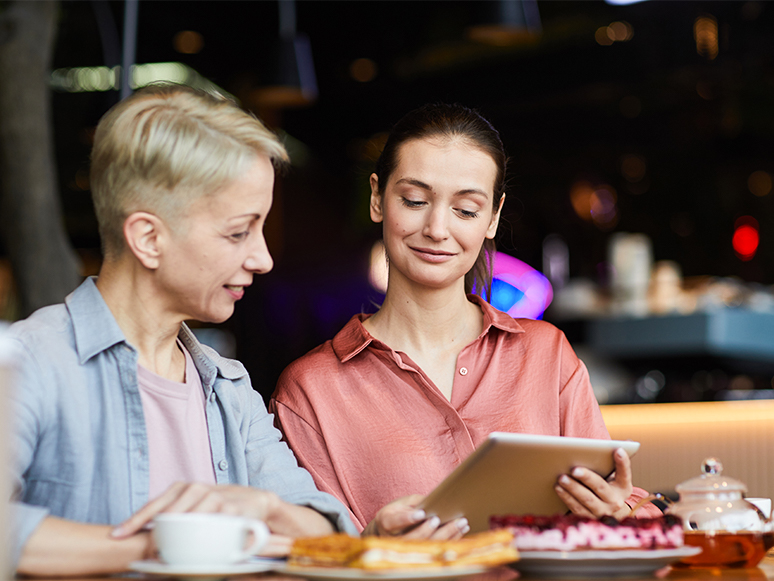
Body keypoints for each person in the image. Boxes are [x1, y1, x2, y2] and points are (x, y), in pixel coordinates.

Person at [8, 84, 357, 578]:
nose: (263, 258)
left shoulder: (229, 386)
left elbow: (330, 535)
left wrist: (265, 508)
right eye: (239, 232)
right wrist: (163, 546)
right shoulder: (29, 362)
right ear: (149, 238)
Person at [270, 103, 661, 537]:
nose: (437, 228)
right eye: (415, 200)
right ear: (377, 198)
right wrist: (373, 551)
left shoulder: (545, 353)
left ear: (493, 216)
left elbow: (625, 511)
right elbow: (311, 557)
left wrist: (617, 515)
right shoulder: (311, 390)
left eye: (467, 210)